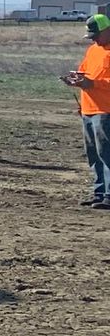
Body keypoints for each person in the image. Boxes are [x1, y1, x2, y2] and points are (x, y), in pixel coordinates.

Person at [61, 12, 110, 208]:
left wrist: (92, 83)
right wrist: (76, 80)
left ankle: (109, 195)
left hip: (106, 110)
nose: (94, 40)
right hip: (88, 109)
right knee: (93, 154)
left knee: (107, 153)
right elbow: (84, 73)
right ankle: (99, 193)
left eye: (96, 35)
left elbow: (96, 81)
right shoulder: (93, 51)